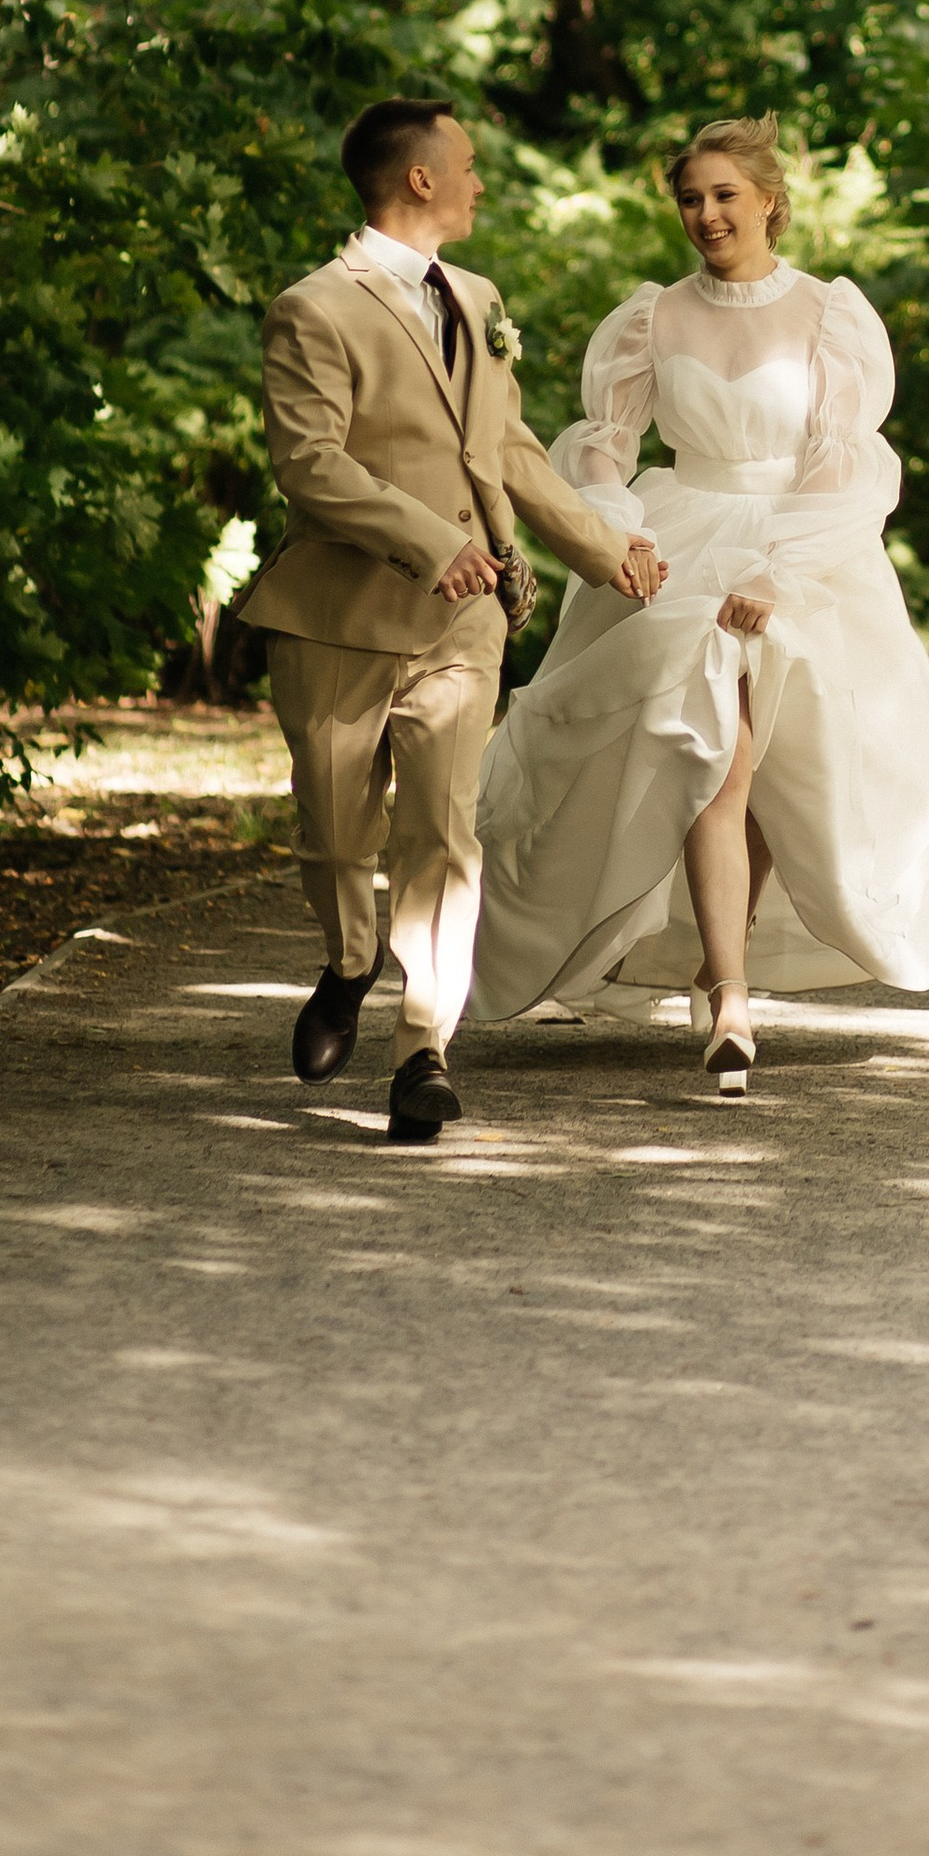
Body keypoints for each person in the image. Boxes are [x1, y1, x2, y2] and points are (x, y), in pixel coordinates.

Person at [467, 114, 929, 1095]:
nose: (706, 214)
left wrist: (777, 574)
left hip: (800, 548)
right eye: (689, 199)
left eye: (723, 196)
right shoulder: (650, 318)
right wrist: (617, 528)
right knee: (719, 754)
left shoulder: (830, 315)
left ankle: (724, 964)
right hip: (682, 544)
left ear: (769, 203)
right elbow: (601, 444)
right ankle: (732, 996)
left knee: (767, 766)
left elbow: (845, 461)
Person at [236, 97, 659, 1146]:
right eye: (465, 164)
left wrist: (603, 549)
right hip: (336, 617)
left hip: (464, 627)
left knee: (444, 832)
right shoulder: (312, 309)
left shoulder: (477, 298)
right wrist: (430, 541)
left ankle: (423, 1047)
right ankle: (348, 962)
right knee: (339, 834)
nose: (478, 182)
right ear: (418, 178)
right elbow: (310, 463)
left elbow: (506, 449)